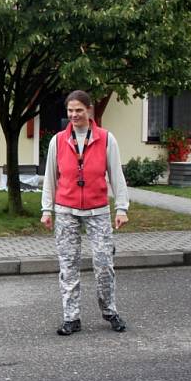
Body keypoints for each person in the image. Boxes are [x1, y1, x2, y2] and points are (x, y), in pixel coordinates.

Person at [40, 90, 129, 336]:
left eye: (79, 110)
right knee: (68, 266)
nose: (74, 115)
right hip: (66, 210)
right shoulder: (57, 141)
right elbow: (50, 178)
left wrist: (121, 208)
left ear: (89, 111)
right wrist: (47, 209)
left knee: (104, 264)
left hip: (98, 210)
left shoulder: (106, 139)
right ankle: (71, 318)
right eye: (70, 110)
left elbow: (116, 176)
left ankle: (110, 311)